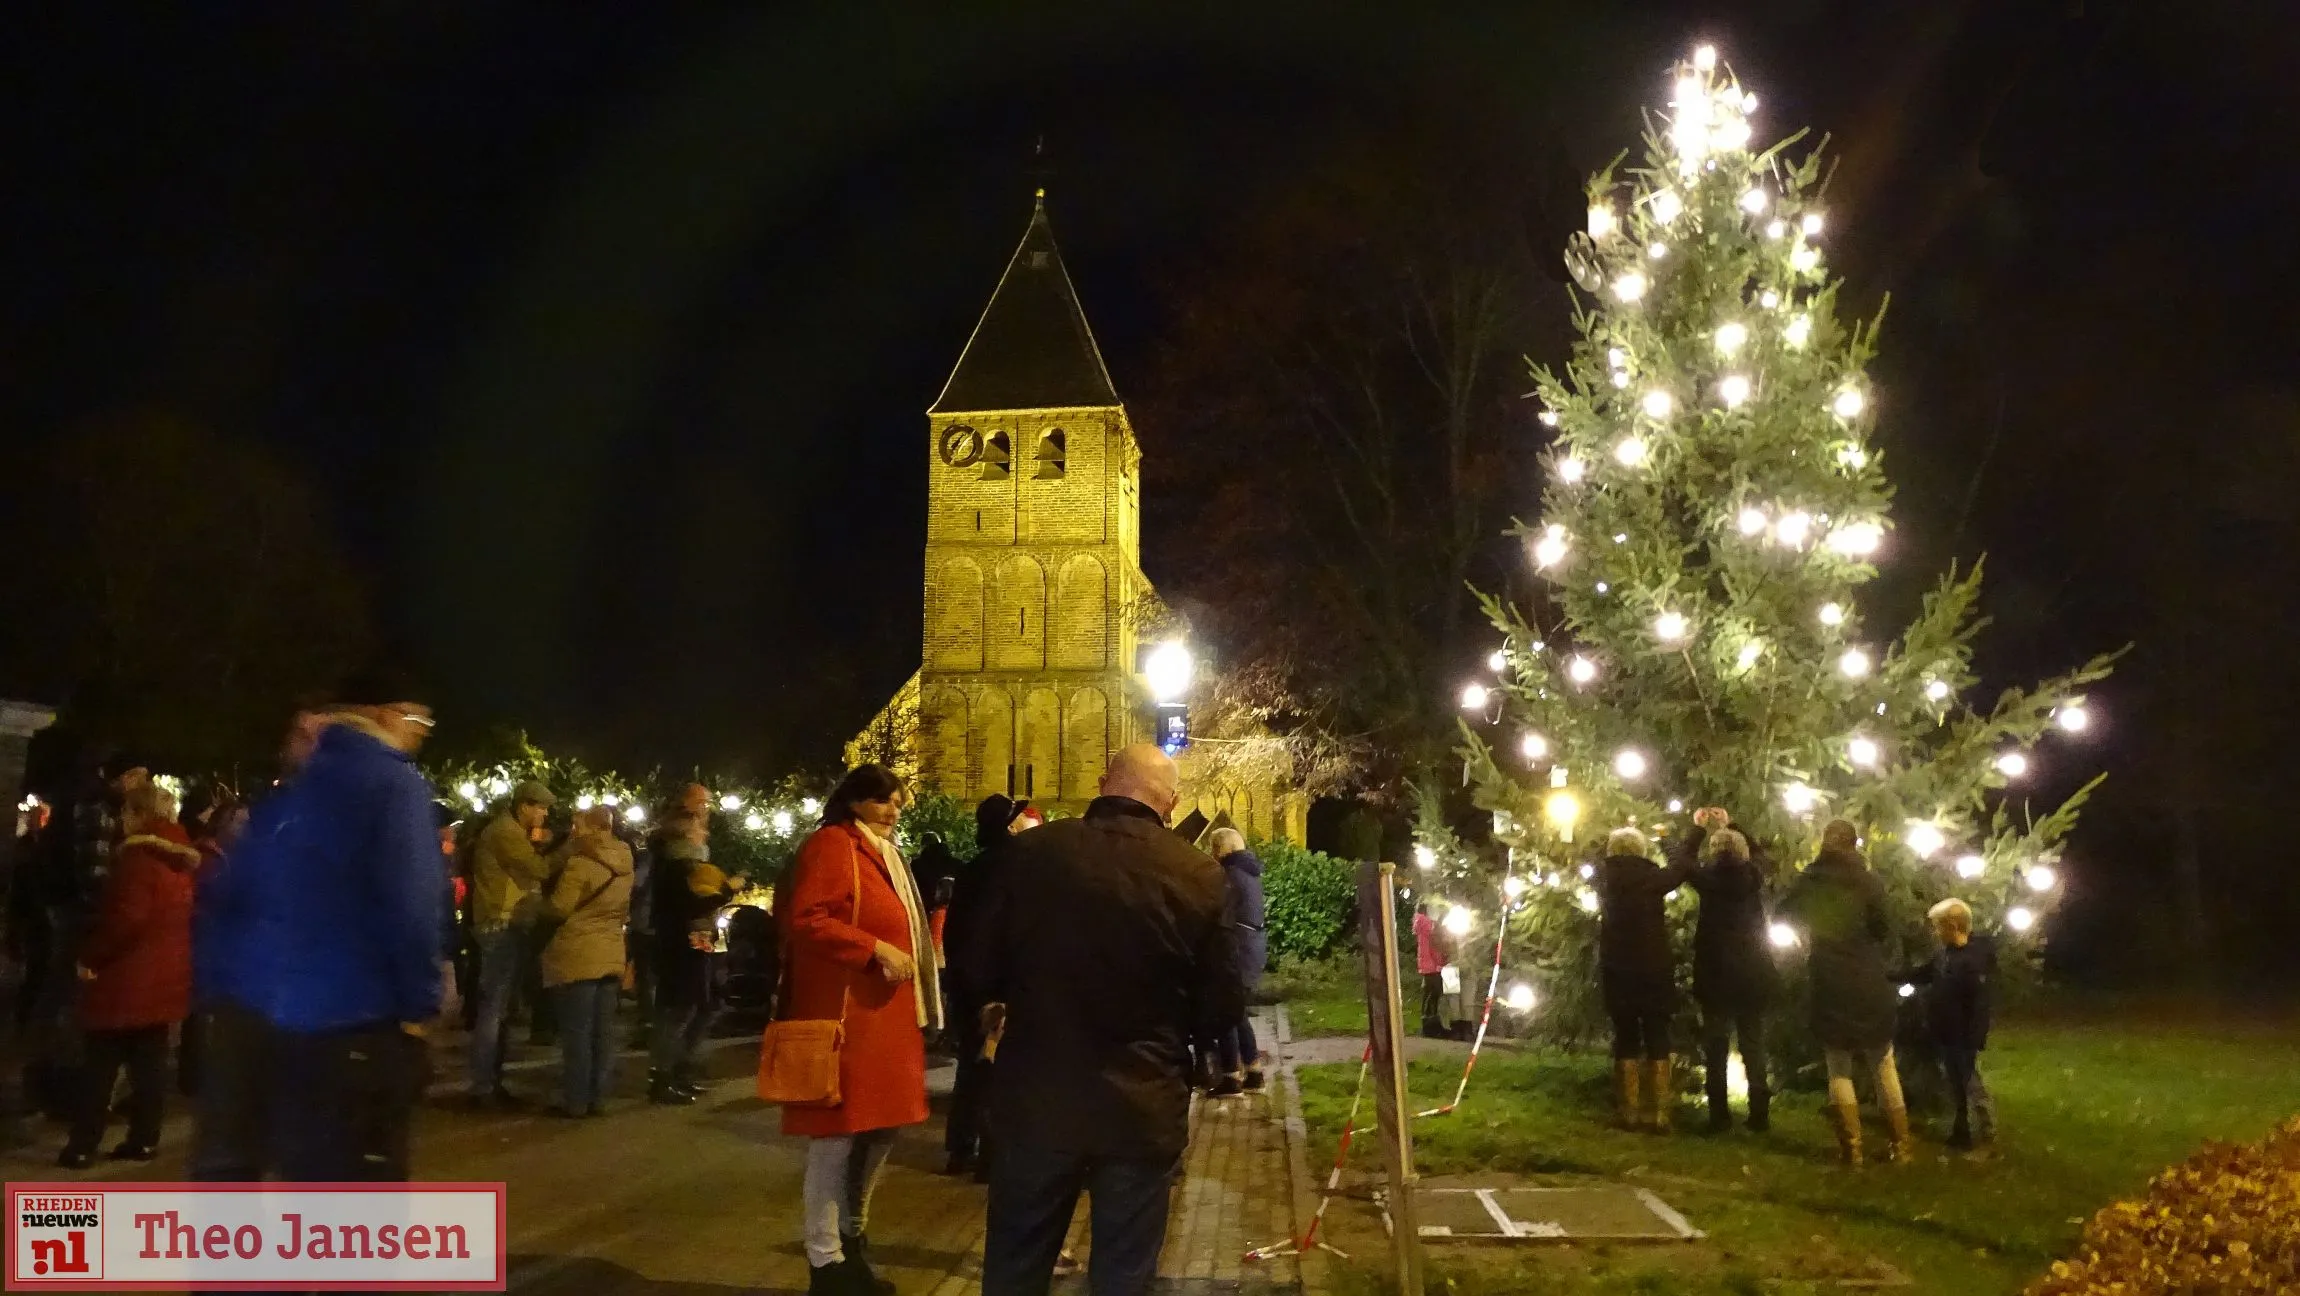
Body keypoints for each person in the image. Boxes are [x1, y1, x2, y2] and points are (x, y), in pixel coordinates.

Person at [968, 743, 1239, 1296]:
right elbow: (1223, 1002)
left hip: (1038, 1098)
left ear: (1101, 783)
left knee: (1016, 1265)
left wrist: (1001, 1003)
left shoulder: (1030, 855)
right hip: (1141, 1102)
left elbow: (976, 960)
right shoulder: (1199, 874)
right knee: (1123, 1274)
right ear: (1172, 801)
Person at [193, 666, 444, 1182]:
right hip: (352, 1020)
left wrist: (224, 996)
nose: (421, 732)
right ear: (383, 716)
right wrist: (420, 1002)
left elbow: (228, 897)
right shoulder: (395, 785)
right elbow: (412, 904)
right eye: (419, 720)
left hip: (264, 1021)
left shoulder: (289, 795)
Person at [779, 765, 939, 1296]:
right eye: (883, 801)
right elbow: (808, 918)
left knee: (882, 1127)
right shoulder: (833, 845)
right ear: (854, 803)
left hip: (887, 1016)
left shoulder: (884, 851)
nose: (895, 810)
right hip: (850, 1015)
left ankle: (852, 1235)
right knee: (837, 1138)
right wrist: (873, 949)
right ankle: (826, 1258)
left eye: (899, 801)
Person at [60, 782, 197, 1168]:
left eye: (125, 813)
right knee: (149, 1066)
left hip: (126, 978)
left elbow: (127, 919)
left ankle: (82, 1145)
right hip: (163, 978)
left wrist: (91, 958)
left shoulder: (138, 860)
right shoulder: (180, 862)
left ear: (139, 816)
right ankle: (144, 1139)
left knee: (99, 1067)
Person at [1778, 819, 1909, 1166]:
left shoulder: (1810, 881)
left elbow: (1782, 913)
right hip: (1868, 977)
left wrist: (1805, 938)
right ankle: (1902, 1146)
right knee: (1883, 1062)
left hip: (1829, 978)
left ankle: (1852, 1149)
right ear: (1855, 845)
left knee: (1838, 1066)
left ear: (1824, 843)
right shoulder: (1868, 882)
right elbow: (1883, 928)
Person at [939, 793, 1030, 1179]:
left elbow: (957, 932)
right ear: (1009, 826)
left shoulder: (974, 868)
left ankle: (960, 1149)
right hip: (1001, 988)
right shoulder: (1019, 866)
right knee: (1001, 1072)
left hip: (968, 984)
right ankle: (992, 1157)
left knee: (972, 1070)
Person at [1674, 809, 1776, 1134]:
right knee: (1753, 1044)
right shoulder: (1754, 876)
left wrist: (1698, 828)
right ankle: (1759, 1113)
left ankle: (1718, 1115)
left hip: (1715, 971)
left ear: (1714, 852)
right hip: (1753, 971)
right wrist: (1734, 824)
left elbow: (1682, 860)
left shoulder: (1707, 879)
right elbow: (1759, 853)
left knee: (1716, 1045)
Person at [540, 806, 634, 1118]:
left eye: (577, 824)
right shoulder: (626, 858)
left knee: (577, 1033)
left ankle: (576, 1100)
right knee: (603, 1032)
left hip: (578, 952)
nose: (573, 830)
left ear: (592, 827)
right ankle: (599, 1097)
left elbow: (559, 908)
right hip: (610, 951)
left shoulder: (580, 864)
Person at [467, 779, 556, 1106]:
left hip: (508, 923)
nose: (544, 815)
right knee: (493, 1010)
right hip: (499, 924)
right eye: (541, 808)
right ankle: (483, 1087)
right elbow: (539, 869)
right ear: (524, 807)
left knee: (500, 1009)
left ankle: (491, 1082)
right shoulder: (505, 831)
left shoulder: (512, 832)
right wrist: (568, 849)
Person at [1597, 826, 1689, 1134]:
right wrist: (1667, 839)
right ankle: (1660, 1113)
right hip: (1653, 966)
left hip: (1617, 966)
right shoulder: (1653, 880)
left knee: (1625, 1036)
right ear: (1642, 850)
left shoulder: (1603, 878)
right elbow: (1681, 867)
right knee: (1657, 1034)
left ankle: (1629, 1111)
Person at [649, 809, 743, 1104]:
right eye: (699, 829)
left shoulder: (687, 865)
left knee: (694, 1009)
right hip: (680, 948)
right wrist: (727, 890)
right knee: (678, 1012)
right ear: (686, 835)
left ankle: (679, 1073)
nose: (706, 833)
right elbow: (691, 905)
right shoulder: (677, 867)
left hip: (693, 944)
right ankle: (663, 1078)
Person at [1902, 897, 1998, 1152]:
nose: (1935, 932)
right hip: (1945, 1032)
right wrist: (1889, 975)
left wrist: (1975, 1038)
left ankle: (1984, 1131)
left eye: (1937, 927)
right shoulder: (1944, 955)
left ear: (1953, 926)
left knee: (1969, 1083)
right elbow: (1921, 974)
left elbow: (1978, 1004)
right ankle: (1962, 1130)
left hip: (1963, 1035)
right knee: (1956, 1083)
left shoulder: (1972, 961)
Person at [1207, 827, 1268, 1097]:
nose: (1212, 854)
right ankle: (1254, 1072)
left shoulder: (1229, 875)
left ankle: (1231, 1076)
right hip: (1251, 947)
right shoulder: (1250, 873)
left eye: (1213, 848)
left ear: (1224, 849)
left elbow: (1220, 915)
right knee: (1239, 1013)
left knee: (1225, 1014)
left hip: (1236, 949)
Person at [1412, 901, 1451, 1039]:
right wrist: (1440, 962)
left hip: (1426, 965)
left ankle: (1428, 1025)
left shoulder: (1421, 924)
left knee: (1429, 995)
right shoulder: (1430, 926)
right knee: (1437, 995)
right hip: (1435, 965)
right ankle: (1435, 1026)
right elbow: (1435, 947)